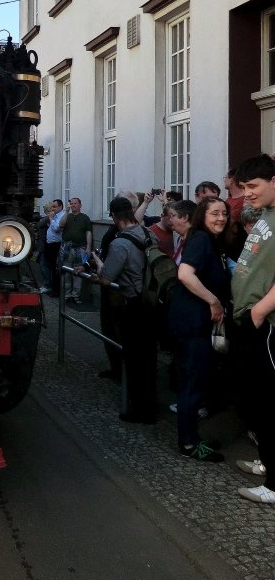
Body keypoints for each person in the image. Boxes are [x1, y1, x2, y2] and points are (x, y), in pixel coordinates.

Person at [167, 197, 229, 462]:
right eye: (215, 213)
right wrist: (213, 300)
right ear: (202, 215)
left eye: (224, 213)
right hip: (193, 323)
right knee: (192, 384)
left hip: (197, 323)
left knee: (195, 381)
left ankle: (192, 436)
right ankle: (189, 443)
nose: (221, 218)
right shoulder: (201, 240)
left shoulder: (208, 241)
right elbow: (185, 274)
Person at [231, 154, 275, 504]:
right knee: (257, 401)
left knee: (269, 402)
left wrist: (258, 312)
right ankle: (267, 462)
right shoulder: (268, 214)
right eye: (243, 187)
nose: (246, 193)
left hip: (266, 324)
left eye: (253, 186)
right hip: (250, 317)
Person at [90, 196, 157, 423]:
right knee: (149, 358)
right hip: (151, 301)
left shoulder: (120, 243)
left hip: (133, 304)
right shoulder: (149, 234)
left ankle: (140, 410)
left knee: (135, 360)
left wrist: (99, 265)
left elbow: (107, 278)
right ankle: (149, 405)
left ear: (113, 216)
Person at [59, 197, 93, 303]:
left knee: (78, 272)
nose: (73, 205)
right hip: (68, 248)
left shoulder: (85, 218)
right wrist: (66, 211)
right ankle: (67, 294)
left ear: (80, 205)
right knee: (66, 271)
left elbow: (88, 232)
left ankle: (75, 295)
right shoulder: (67, 216)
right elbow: (61, 224)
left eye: (75, 203)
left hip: (80, 247)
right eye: (71, 203)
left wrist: (88, 247)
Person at [168, 199, 196, 265]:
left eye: (173, 215)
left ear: (185, 218)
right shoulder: (181, 239)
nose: (170, 220)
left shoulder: (195, 241)